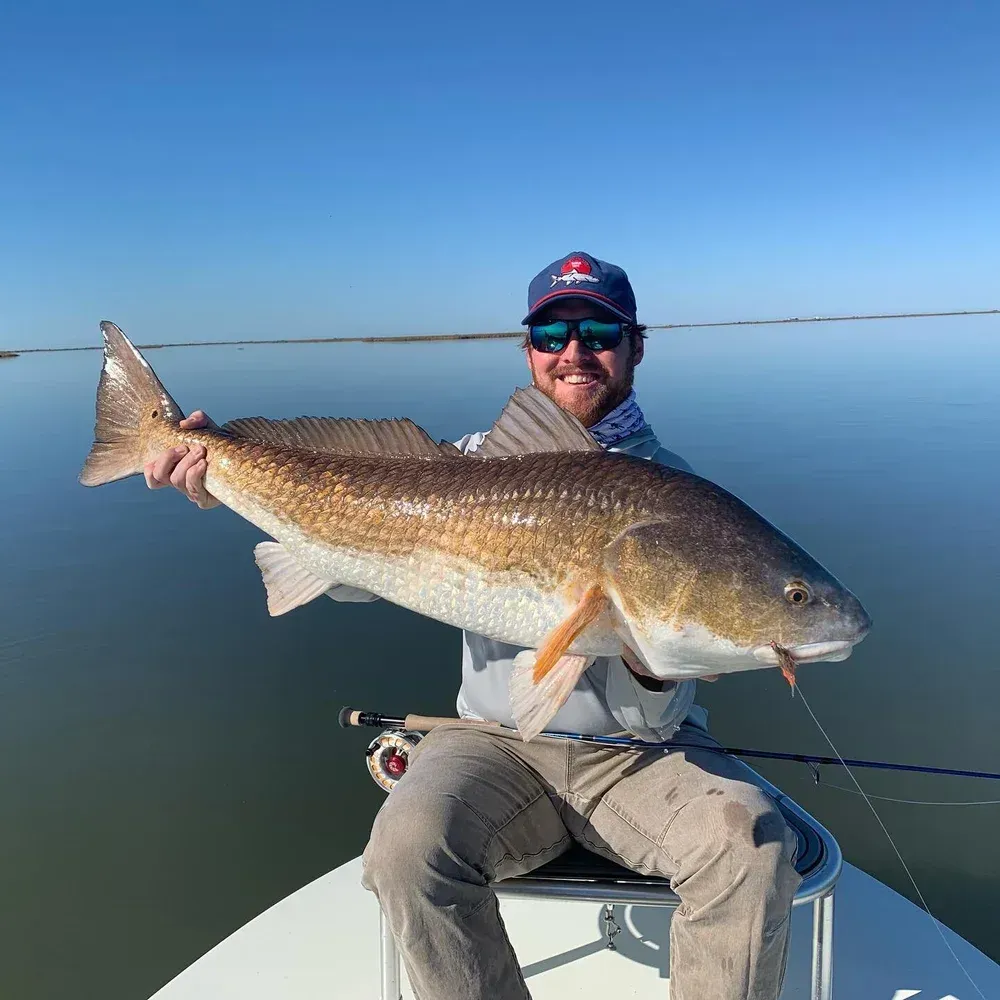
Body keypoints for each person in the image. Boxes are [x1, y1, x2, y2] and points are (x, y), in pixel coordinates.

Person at [145, 252, 801, 1000]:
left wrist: (658, 665)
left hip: (636, 757)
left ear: (635, 347)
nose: (575, 352)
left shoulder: (680, 496)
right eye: (552, 334)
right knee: (404, 847)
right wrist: (221, 477)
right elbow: (359, 576)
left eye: (599, 332)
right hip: (491, 744)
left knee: (748, 841)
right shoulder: (464, 466)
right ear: (528, 352)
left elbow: (662, 689)